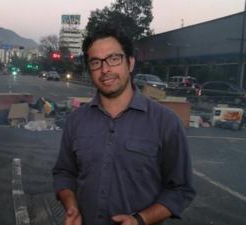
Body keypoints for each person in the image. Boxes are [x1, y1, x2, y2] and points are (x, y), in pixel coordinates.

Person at [52, 27, 196, 225]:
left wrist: (141, 220)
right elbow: (64, 173)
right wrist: (71, 206)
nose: (105, 69)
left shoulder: (165, 122)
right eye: (96, 62)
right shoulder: (75, 121)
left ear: (130, 62)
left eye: (113, 59)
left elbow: (181, 188)